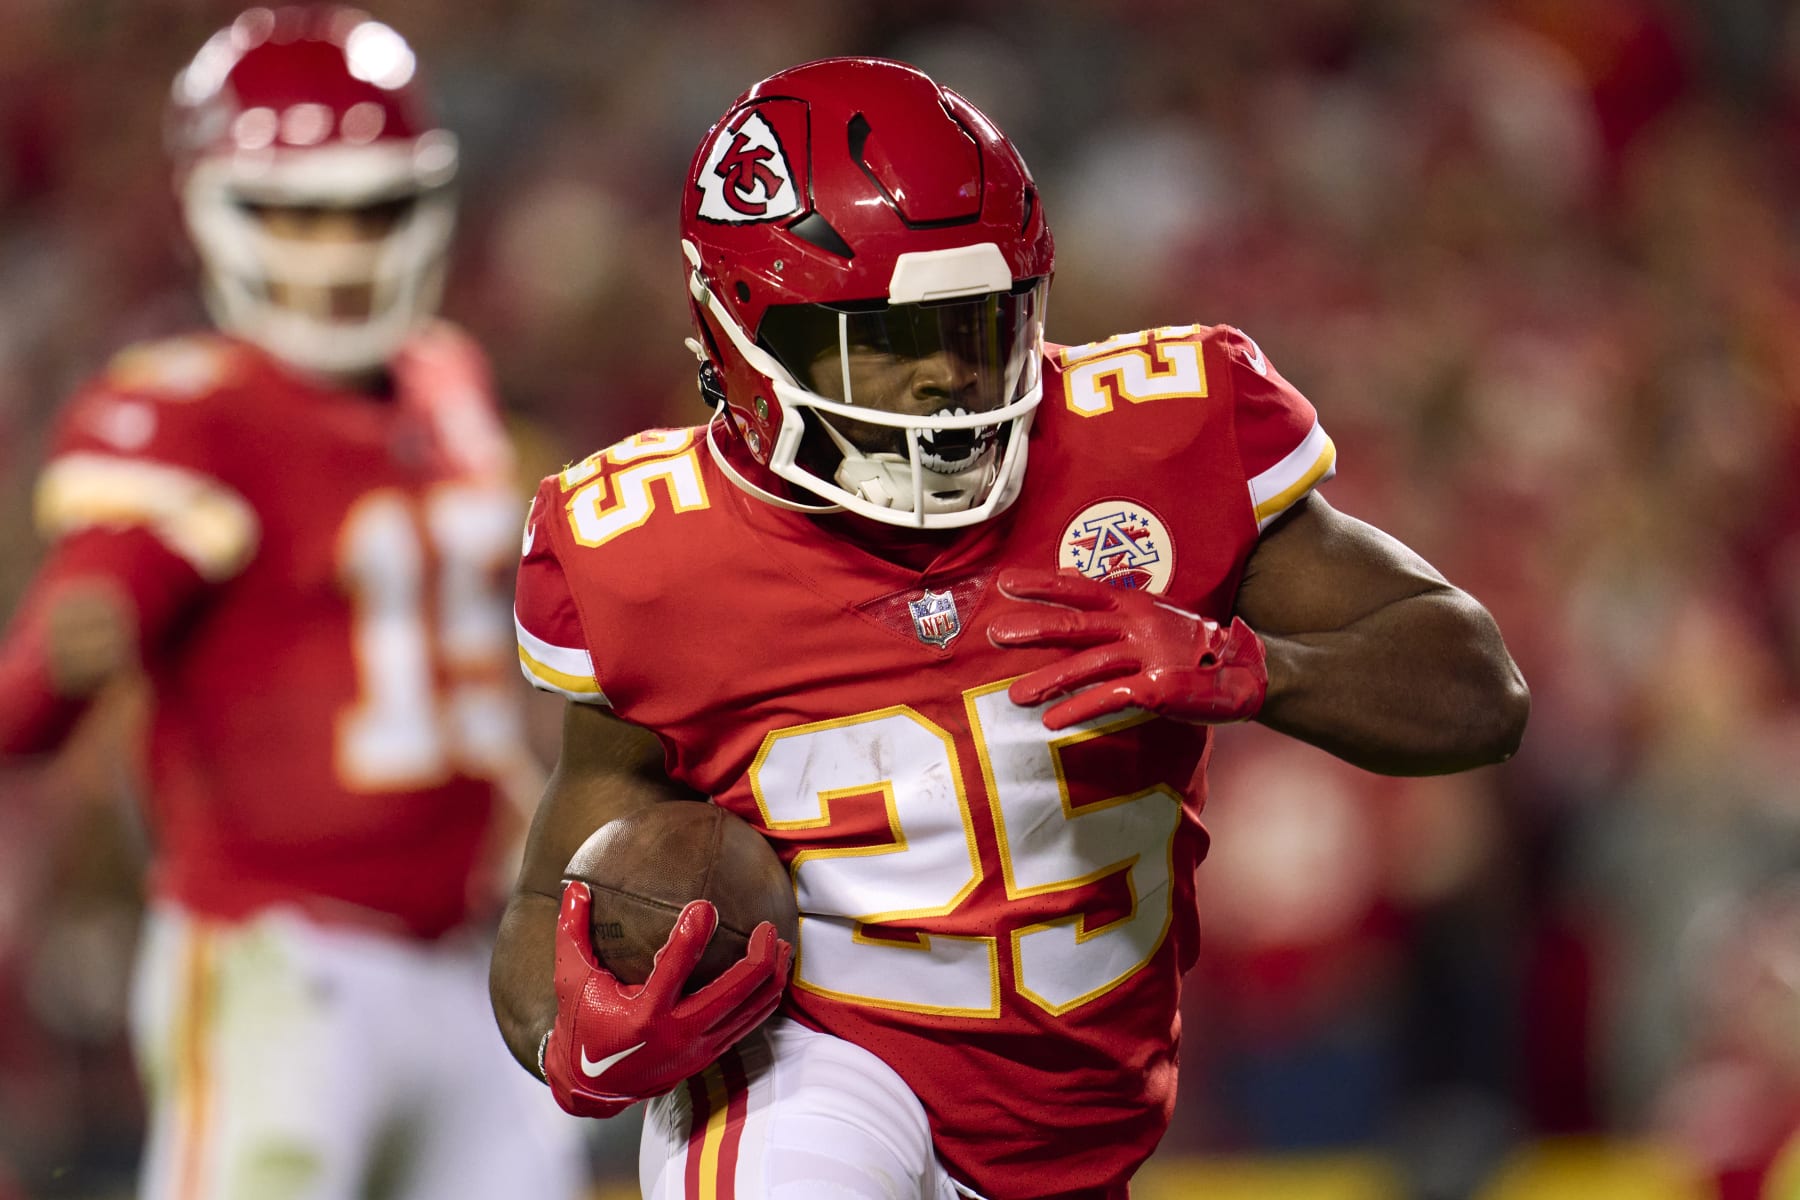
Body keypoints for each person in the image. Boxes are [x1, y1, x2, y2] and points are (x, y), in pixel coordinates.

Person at [492, 55, 1530, 1200]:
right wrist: (574, 1039)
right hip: (809, 1079)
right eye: (884, 340)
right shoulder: (649, 551)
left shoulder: (1162, 439)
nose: (947, 377)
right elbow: (557, 892)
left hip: (1079, 1132)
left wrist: (1256, 668)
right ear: (746, 340)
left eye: (976, 323)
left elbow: (1481, 692)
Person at [0, 8, 585, 1199]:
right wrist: (61, 659)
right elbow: (35, 699)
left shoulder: (450, 379)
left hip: (478, 961)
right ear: (215, 208)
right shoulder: (181, 411)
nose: (337, 249)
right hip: (285, 960)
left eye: (368, 208)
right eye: (295, 212)